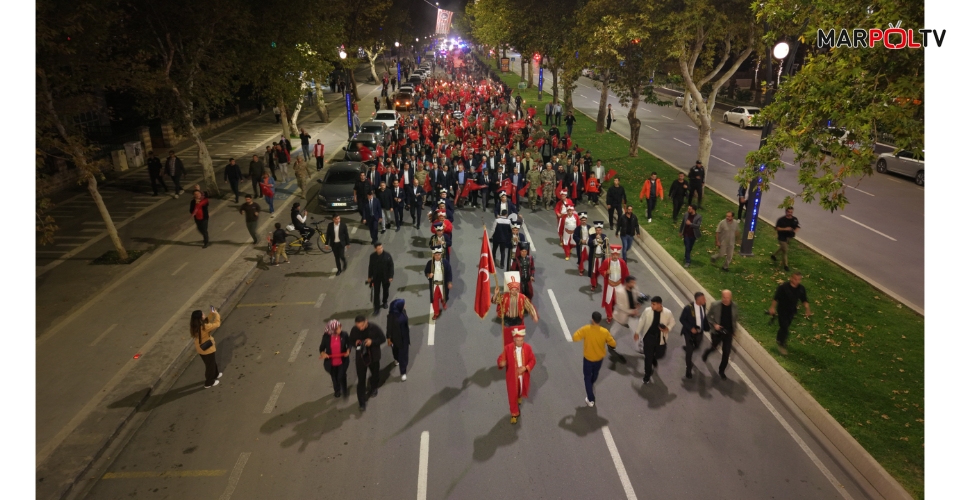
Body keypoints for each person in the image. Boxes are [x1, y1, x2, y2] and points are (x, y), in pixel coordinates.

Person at [572, 312, 617, 407]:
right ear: (600, 320)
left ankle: (590, 399)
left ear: (592, 319)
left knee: (587, 377)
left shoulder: (586, 329)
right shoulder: (604, 332)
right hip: (599, 359)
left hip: (588, 359)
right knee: (595, 373)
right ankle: (591, 384)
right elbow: (613, 344)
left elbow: (575, 337)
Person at [497, 328, 537, 424]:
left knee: (520, 390)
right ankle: (514, 413)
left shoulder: (528, 348)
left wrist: (526, 368)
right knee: (512, 395)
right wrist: (501, 363)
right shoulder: (508, 348)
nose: (520, 342)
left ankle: (519, 396)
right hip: (512, 378)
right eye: (518, 340)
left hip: (523, 376)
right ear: (514, 340)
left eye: (522, 340)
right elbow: (500, 359)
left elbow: (533, 360)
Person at [633, 296, 675, 383]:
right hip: (649, 337)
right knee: (648, 357)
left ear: (660, 304)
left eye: (654, 304)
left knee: (660, 354)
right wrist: (637, 332)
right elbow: (642, 321)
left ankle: (653, 359)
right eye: (651, 304)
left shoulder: (668, 312)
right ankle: (647, 375)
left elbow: (672, 322)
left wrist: (668, 328)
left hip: (660, 338)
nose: (652, 306)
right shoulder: (647, 311)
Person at [349, 315, 386, 411]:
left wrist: (372, 341)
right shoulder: (354, 330)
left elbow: (382, 339)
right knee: (361, 380)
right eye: (358, 326)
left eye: (362, 326)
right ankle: (361, 402)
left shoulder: (374, 328)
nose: (360, 328)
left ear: (366, 322)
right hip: (361, 358)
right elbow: (351, 341)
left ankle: (374, 388)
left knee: (375, 373)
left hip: (373, 357)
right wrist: (355, 343)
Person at [769, 272, 812, 355]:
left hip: (791, 311)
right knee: (784, 327)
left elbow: (804, 300)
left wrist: (807, 309)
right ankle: (781, 344)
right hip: (782, 310)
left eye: (799, 279)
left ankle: (778, 338)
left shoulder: (801, 289)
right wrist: (772, 308)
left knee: (785, 326)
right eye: (795, 279)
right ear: (791, 278)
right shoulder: (783, 287)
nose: (797, 281)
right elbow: (776, 298)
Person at [703, 289, 738, 380]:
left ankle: (721, 370)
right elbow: (708, 317)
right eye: (724, 297)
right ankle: (707, 352)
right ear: (722, 296)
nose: (726, 299)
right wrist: (715, 325)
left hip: (728, 334)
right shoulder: (715, 305)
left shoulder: (734, 306)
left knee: (726, 353)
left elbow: (734, 319)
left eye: (728, 298)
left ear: (731, 297)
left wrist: (734, 330)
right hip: (717, 333)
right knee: (714, 347)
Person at [496, 279, 539, 345]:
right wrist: (496, 294)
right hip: (507, 322)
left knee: (518, 341)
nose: (514, 291)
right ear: (510, 290)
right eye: (512, 290)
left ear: (518, 290)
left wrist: (534, 315)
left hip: (518, 322)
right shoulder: (504, 297)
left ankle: (518, 353)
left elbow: (529, 306)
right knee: (507, 342)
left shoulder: (522, 297)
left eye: (516, 290)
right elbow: (495, 301)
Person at [679, 292, 709, 379]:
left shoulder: (703, 305)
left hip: (699, 332)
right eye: (703, 299)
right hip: (689, 333)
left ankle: (689, 348)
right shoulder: (688, 308)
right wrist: (691, 328)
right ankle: (688, 370)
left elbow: (703, 317)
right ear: (698, 300)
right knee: (690, 351)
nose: (705, 300)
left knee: (697, 346)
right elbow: (682, 319)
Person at [191, 308, 222, 389]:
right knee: (210, 365)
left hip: (200, 348)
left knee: (211, 362)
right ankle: (209, 382)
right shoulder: (204, 327)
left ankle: (216, 374)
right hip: (207, 349)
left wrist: (211, 314)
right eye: (203, 314)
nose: (204, 314)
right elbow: (217, 324)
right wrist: (217, 314)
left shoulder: (195, 325)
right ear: (200, 318)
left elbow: (206, 321)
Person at [319, 320, 351, 398]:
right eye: (337, 328)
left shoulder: (344, 334)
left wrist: (348, 350)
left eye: (339, 327)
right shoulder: (326, 337)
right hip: (331, 362)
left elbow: (349, 343)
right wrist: (323, 353)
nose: (340, 329)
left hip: (342, 361)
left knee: (342, 375)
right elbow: (321, 348)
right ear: (332, 330)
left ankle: (344, 389)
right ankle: (337, 390)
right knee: (334, 377)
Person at [598, 245, 629, 324]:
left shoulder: (622, 262)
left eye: (617, 255)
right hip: (610, 285)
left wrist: (627, 283)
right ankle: (609, 315)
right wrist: (606, 272)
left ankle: (615, 313)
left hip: (619, 284)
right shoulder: (606, 262)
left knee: (618, 301)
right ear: (611, 254)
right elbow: (601, 270)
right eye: (613, 255)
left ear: (618, 255)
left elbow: (626, 273)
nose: (615, 256)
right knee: (608, 301)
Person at [424, 246, 452, 320]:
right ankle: (436, 312)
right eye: (436, 255)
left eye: (439, 255)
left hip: (443, 285)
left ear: (441, 254)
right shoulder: (430, 263)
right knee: (434, 299)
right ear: (433, 255)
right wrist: (428, 275)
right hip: (434, 285)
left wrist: (449, 282)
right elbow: (426, 272)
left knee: (443, 296)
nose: (437, 256)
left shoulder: (445, 263)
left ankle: (443, 302)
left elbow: (449, 273)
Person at [367, 242, 394, 315]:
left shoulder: (387, 256)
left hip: (386, 277)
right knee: (376, 293)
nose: (380, 249)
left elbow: (391, 266)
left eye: (381, 247)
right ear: (375, 249)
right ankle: (376, 307)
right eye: (378, 248)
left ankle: (384, 302)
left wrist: (391, 276)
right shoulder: (372, 256)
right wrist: (369, 277)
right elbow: (370, 267)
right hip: (376, 277)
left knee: (385, 290)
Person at [387, 299, 411, 381]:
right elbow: (389, 328)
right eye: (404, 304)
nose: (405, 306)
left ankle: (403, 372)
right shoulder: (391, 316)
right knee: (396, 350)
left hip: (404, 336)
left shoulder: (403, 311)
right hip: (395, 337)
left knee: (404, 355)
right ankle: (396, 358)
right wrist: (388, 338)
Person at [772, 207, 800, 272]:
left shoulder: (794, 219)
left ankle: (774, 255)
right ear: (786, 212)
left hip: (789, 237)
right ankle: (786, 266)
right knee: (785, 250)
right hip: (782, 237)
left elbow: (797, 227)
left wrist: (795, 230)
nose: (790, 213)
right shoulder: (781, 220)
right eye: (789, 212)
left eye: (791, 212)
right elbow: (777, 228)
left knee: (782, 248)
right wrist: (785, 229)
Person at [588, 222, 608, 290]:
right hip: (594, 257)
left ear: (601, 230)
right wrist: (596, 240)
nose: (598, 231)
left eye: (599, 230)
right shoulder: (591, 236)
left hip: (601, 257)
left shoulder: (604, 236)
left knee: (600, 271)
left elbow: (606, 245)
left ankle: (599, 281)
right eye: (597, 230)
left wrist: (602, 241)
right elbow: (589, 243)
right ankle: (593, 284)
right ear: (595, 230)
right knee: (593, 271)